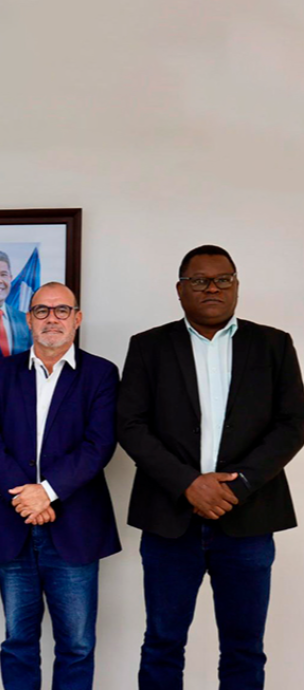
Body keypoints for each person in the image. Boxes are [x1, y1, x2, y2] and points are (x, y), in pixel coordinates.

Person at [118, 245, 304, 690]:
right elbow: (129, 424)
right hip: (169, 522)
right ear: (180, 289)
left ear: (236, 286)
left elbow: (293, 424)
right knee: (162, 644)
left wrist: (237, 486)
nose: (213, 288)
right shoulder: (148, 346)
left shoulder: (274, 344)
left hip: (249, 520)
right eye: (200, 280)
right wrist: (187, 484)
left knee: (244, 648)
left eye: (223, 279)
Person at [0, 282, 120, 690]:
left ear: (77, 318)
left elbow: (99, 444)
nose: (51, 318)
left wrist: (47, 492)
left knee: (76, 645)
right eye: (42, 310)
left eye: (61, 310)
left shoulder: (101, 374)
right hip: (13, 524)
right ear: (29, 319)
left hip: (75, 527)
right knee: (17, 642)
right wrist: (26, 496)